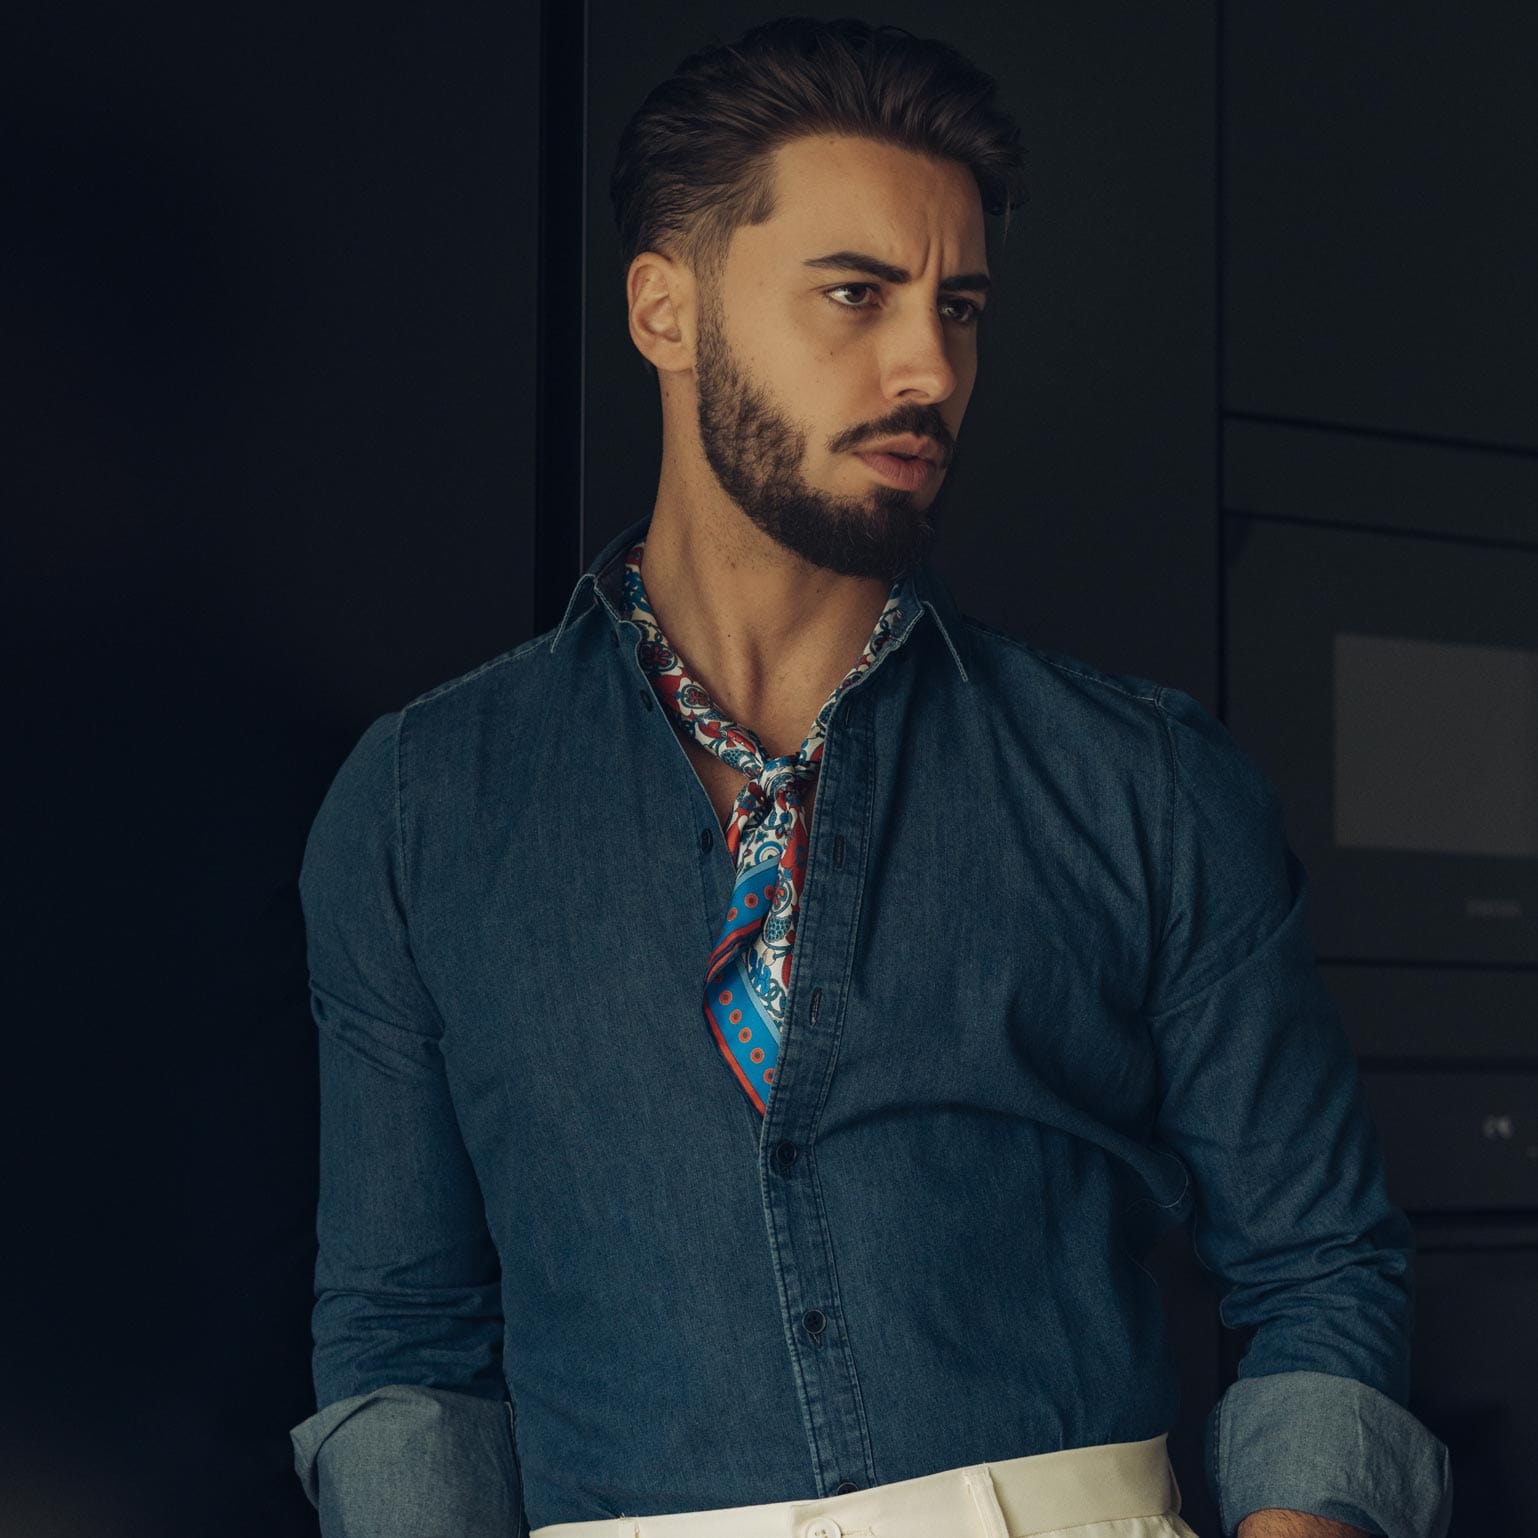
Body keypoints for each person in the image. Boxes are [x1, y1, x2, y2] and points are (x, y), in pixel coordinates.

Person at [288, 17, 1452, 1538]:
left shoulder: (1144, 781)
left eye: (957, 306)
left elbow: (1315, 1265)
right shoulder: (421, 800)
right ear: (666, 309)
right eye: (855, 294)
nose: (928, 367)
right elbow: (403, 1346)